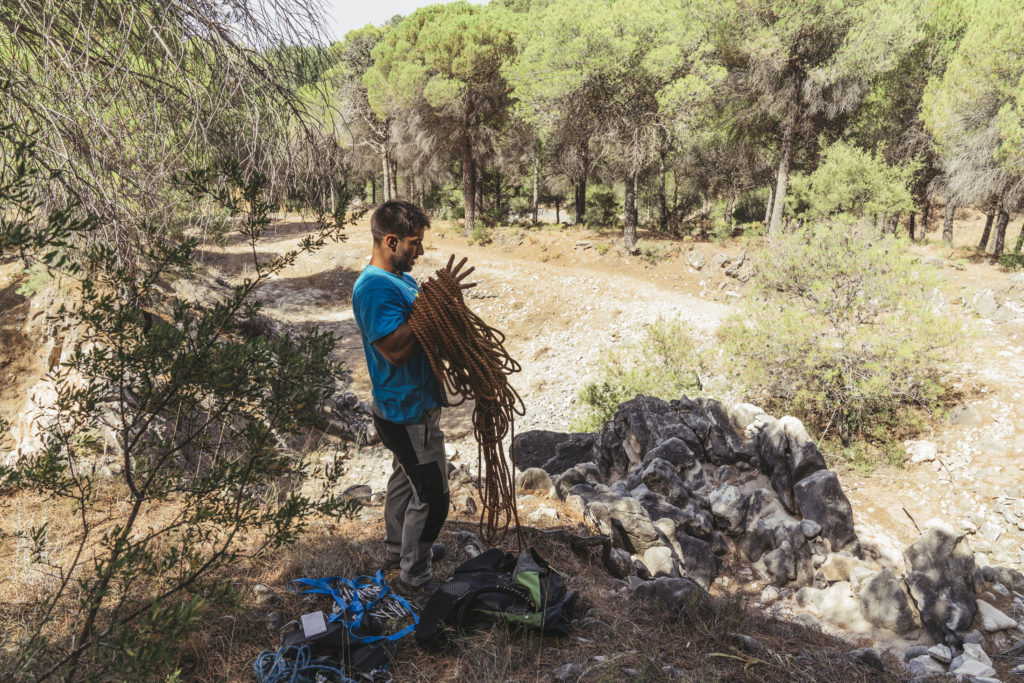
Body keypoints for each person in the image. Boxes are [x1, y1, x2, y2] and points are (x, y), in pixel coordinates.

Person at [351, 200, 475, 595]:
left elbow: (421, 322)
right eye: (413, 243)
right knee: (434, 497)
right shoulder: (373, 287)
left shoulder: (398, 279)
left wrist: (438, 306)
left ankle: (396, 549)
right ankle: (414, 575)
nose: (419, 251)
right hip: (406, 412)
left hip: (406, 407)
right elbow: (396, 350)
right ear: (390, 241)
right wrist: (430, 307)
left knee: (406, 479)